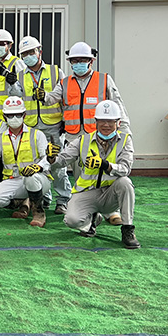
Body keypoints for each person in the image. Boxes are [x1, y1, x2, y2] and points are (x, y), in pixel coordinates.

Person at [51, 100, 139, 248]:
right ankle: (92, 220)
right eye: (102, 121)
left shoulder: (125, 140)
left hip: (111, 194)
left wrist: (105, 165)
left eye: (110, 121)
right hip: (87, 192)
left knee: (125, 182)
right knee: (71, 220)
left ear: (118, 123)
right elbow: (63, 160)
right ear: (96, 122)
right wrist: (52, 158)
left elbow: (125, 168)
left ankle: (127, 229)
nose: (106, 125)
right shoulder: (83, 140)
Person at [18, 35, 70, 214]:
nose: (28, 56)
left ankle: (62, 201)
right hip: (32, 127)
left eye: (31, 52)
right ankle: (44, 198)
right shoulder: (20, 76)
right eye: (24, 54)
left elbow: (65, 97)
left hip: (53, 126)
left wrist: (65, 120)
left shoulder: (55, 71)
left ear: (39, 51)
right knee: (38, 163)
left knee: (57, 165)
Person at [0, 96, 50, 227]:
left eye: (18, 115)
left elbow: (47, 157)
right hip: (14, 179)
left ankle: (38, 213)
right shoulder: (1, 137)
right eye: (10, 115)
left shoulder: (37, 134)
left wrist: (38, 167)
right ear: (4, 116)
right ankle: (24, 201)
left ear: (24, 115)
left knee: (30, 177)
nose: (14, 118)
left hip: (38, 180)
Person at [41, 41, 131, 140]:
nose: (78, 63)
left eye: (82, 60)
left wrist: (125, 135)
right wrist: (43, 96)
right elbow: (51, 99)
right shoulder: (64, 83)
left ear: (91, 61)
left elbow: (118, 106)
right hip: (72, 138)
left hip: (97, 137)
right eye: (75, 61)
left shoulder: (104, 80)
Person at [0, 29, 25, 122]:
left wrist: (13, 83)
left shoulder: (17, 63)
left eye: (1, 44)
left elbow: (25, 91)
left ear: (10, 45)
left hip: (10, 117)